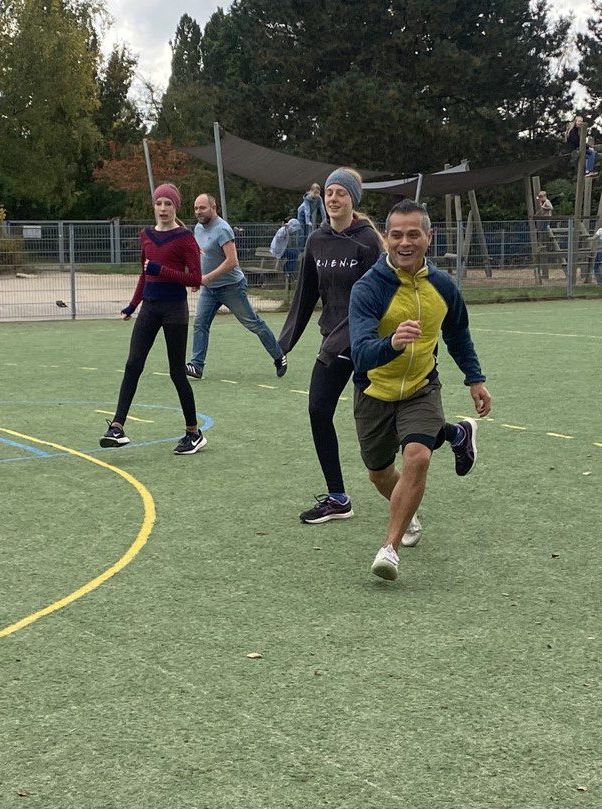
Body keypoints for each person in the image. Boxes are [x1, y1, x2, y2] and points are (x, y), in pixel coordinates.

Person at [349, 200, 491, 581]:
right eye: (396, 235)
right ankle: (412, 507)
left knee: (418, 457)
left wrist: (475, 379)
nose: (404, 242)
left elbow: (458, 334)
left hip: (421, 388)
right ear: (386, 239)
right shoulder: (368, 288)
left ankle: (389, 548)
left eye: (414, 234)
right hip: (374, 392)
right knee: (379, 474)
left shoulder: (442, 287)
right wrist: (392, 343)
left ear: (429, 237)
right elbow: (360, 354)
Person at [278, 167, 383, 524]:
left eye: (341, 192)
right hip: (333, 340)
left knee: (388, 420)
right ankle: (338, 497)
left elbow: (380, 297)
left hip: (366, 340)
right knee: (318, 409)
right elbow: (305, 295)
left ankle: (453, 433)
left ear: (353, 199)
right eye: (329, 192)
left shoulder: (368, 242)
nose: (333, 198)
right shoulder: (316, 241)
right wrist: (284, 343)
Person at [99, 183, 206, 454]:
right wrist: (132, 305)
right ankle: (117, 427)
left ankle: (193, 433)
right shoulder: (146, 235)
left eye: (168, 204)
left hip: (175, 310)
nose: (163, 208)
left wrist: (163, 270)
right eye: (159, 203)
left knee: (176, 372)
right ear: (154, 206)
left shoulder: (185, 238)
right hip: (149, 308)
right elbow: (144, 274)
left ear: (175, 207)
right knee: (133, 365)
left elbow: (195, 279)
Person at [184, 194, 287, 380]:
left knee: (253, 324)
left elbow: (232, 262)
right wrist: (197, 278)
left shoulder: (223, 229)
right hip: (210, 289)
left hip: (232, 287)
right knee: (200, 323)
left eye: (202, 208)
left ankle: (279, 356)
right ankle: (197, 366)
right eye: (196, 208)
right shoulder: (198, 228)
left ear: (213, 208)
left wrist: (207, 278)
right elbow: (202, 256)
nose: (198, 212)